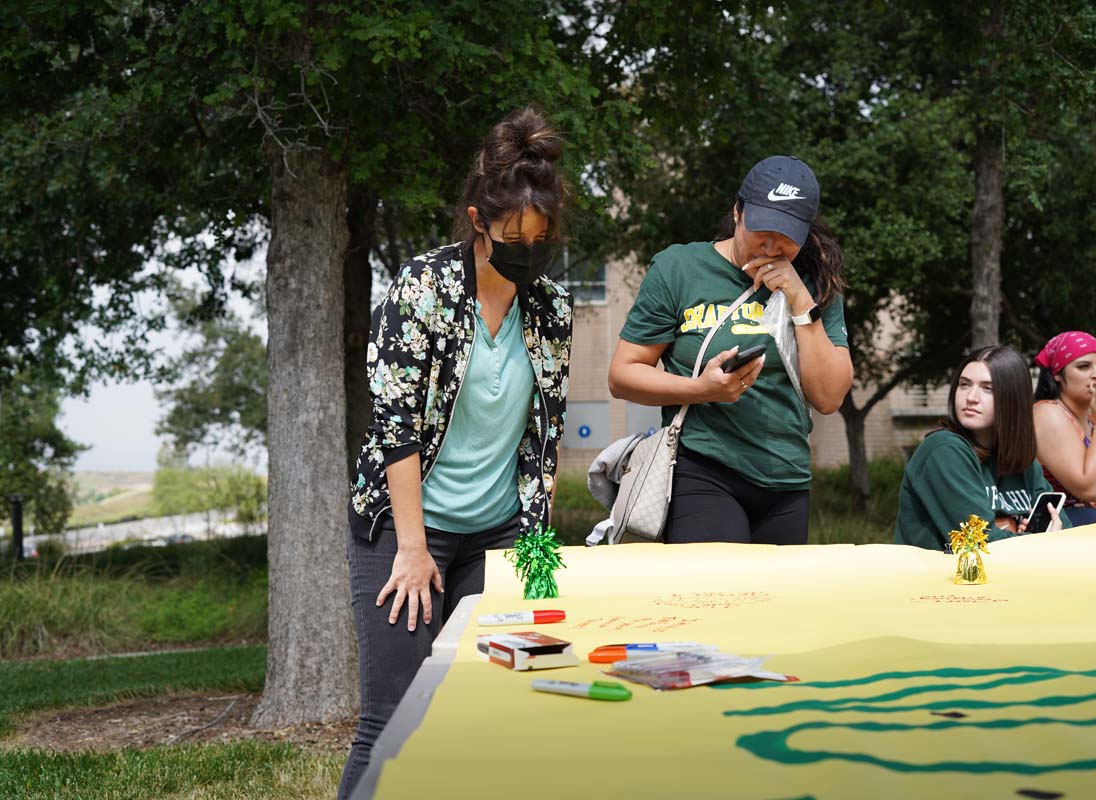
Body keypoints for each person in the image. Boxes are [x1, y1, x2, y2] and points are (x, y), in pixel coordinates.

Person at [338, 108, 572, 799]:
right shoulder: (424, 288)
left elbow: (546, 439)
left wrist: (539, 561)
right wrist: (413, 548)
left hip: (501, 535)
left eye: (541, 239)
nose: (528, 252)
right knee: (394, 718)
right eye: (514, 238)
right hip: (410, 529)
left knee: (499, 711)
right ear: (478, 219)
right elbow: (395, 424)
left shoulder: (553, 308)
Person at [608, 156, 853, 544]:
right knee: (715, 599)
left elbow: (828, 397)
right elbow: (623, 375)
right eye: (761, 230)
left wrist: (802, 303)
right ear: (738, 212)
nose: (772, 245)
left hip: (786, 478)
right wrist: (701, 390)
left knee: (776, 603)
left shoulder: (814, 283)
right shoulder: (679, 268)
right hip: (704, 468)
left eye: (787, 235)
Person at [895, 346, 1066, 551]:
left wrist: (1039, 538)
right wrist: (1036, 540)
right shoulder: (943, 450)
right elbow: (981, 542)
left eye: (988, 388)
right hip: (948, 579)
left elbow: (1065, 530)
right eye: (964, 384)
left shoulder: (1023, 462)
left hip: (1010, 579)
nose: (971, 397)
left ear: (1013, 398)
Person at [1031, 331, 1096, 526]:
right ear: (1057, 374)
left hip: (1093, 535)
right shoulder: (1047, 413)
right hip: (1058, 536)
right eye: (1083, 366)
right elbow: (1088, 489)